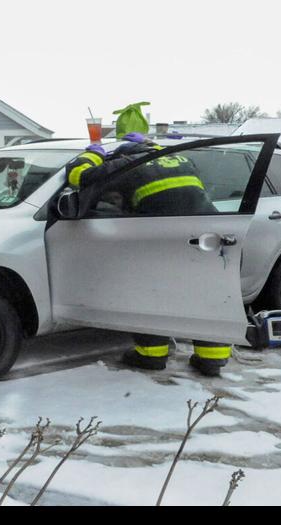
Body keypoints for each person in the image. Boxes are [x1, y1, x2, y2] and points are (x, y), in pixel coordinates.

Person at [62, 131, 232, 377]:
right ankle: (212, 360)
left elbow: (79, 176)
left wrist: (93, 154)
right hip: (208, 236)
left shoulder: (128, 165)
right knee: (203, 295)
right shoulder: (181, 159)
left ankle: (151, 356)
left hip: (161, 237)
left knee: (151, 294)